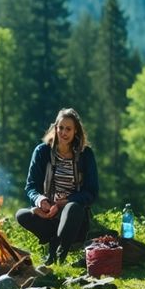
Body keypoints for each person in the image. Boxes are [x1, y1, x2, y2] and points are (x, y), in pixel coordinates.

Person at [15, 108, 99, 265]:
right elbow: (31, 186)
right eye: (60, 128)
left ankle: (60, 253)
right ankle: (54, 242)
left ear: (76, 132)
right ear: (55, 128)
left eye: (68, 129)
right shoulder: (42, 151)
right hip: (49, 214)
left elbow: (92, 192)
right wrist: (40, 201)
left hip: (75, 218)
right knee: (21, 214)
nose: (63, 132)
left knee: (73, 208)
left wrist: (65, 202)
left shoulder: (85, 154)